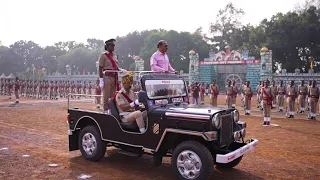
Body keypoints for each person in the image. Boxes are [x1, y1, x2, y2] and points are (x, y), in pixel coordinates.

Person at [98, 39, 126, 113]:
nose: (113, 47)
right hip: (106, 77)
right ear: (107, 46)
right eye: (112, 46)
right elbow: (100, 68)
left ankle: (111, 110)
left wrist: (121, 70)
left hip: (114, 77)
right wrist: (101, 80)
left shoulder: (115, 55)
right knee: (106, 96)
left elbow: (115, 67)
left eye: (114, 46)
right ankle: (105, 110)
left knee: (113, 96)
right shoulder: (103, 55)